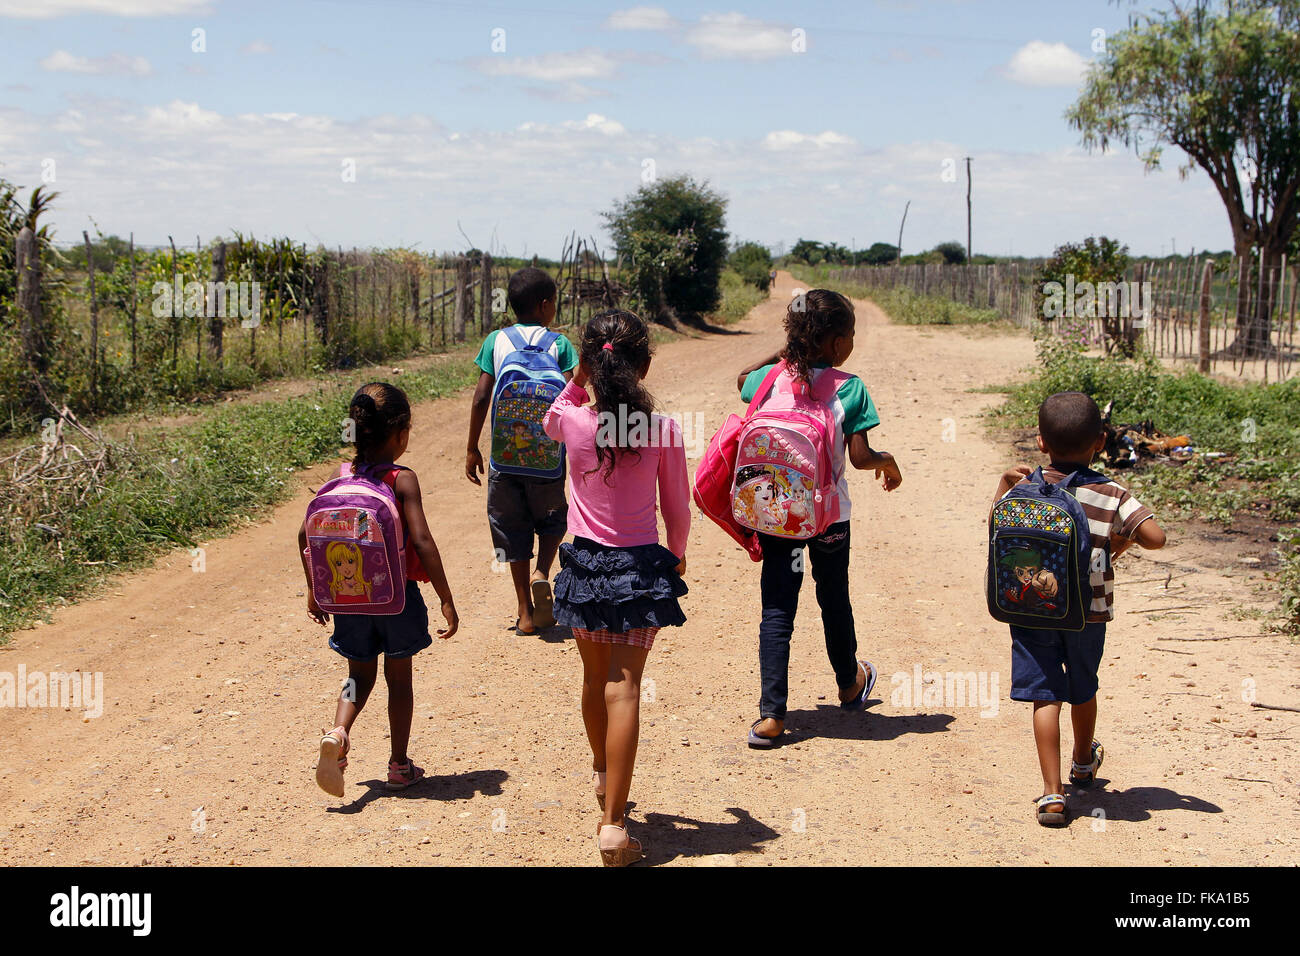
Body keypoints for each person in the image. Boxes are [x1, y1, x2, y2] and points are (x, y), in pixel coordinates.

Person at [542, 308, 689, 866]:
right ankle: (612, 827)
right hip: (637, 573)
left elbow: (555, 412)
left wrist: (579, 378)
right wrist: (675, 557)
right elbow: (677, 507)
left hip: (582, 566)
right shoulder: (661, 429)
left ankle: (604, 779)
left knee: (593, 678)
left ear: (587, 363)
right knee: (625, 689)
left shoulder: (575, 423)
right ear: (645, 365)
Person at [990, 390, 1165, 826]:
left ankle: (1051, 795)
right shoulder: (1112, 494)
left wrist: (1002, 485)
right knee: (1083, 687)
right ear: (1101, 442)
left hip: (1033, 610)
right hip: (1089, 614)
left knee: (1044, 696)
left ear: (1041, 442)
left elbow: (997, 527)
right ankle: (1083, 763)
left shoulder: (1025, 487)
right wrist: (1120, 539)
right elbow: (1157, 538)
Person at [735, 289, 902, 748]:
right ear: (833, 343)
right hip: (828, 516)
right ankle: (848, 682)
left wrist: (787, 352)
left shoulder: (768, 380)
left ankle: (771, 715)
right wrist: (888, 462)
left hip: (775, 511)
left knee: (777, 607)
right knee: (834, 597)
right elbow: (863, 456)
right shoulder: (850, 387)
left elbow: (742, 377)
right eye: (847, 337)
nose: (851, 345)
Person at [301, 382, 459, 798]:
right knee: (399, 681)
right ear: (401, 434)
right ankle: (399, 766)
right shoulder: (402, 480)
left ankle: (338, 732)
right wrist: (444, 596)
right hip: (397, 600)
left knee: (357, 676)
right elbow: (422, 541)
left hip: (350, 605)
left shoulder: (339, 477)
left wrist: (316, 591)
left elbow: (306, 534)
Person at [465, 267, 578, 634]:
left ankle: (524, 612)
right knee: (551, 518)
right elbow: (575, 393)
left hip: (505, 459)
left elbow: (482, 396)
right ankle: (542, 570)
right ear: (545, 305)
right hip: (547, 458)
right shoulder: (559, 344)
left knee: (510, 527)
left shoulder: (495, 341)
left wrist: (471, 448)